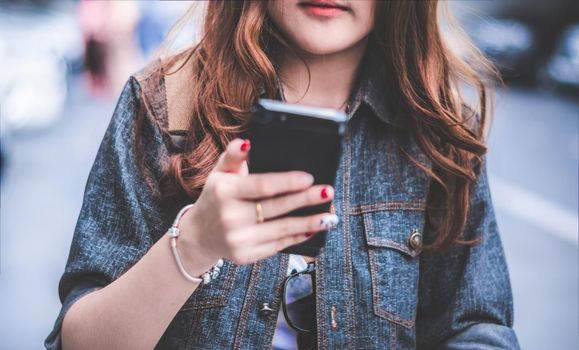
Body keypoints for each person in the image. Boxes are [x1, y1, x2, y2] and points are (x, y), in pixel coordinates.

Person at [45, 1, 520, 349]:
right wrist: (193, 246)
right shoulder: (164, 106)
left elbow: (476, 329)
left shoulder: (435, 133)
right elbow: (79, 342)